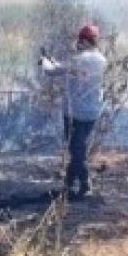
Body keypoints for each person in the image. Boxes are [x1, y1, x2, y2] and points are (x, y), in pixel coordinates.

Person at [40, 24, 106, 200]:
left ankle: (85, 185)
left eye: (79, 40)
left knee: (77, 150)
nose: (77, 43)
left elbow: (51, 71)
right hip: (92, 112)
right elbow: (67, 67)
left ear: (84, 40)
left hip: (75, 113)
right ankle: (68, 184)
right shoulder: (101, 59)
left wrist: (45, 61)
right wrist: (54, 61)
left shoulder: (79, 59)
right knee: (77, 148)